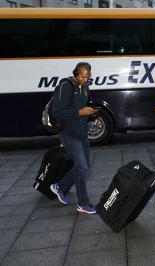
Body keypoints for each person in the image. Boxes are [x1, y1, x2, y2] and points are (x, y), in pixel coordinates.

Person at [50, 62, 98, 214]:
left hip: (82, 134)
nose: (86, 80)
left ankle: (60, 187)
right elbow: (57, 112)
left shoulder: (84, 87)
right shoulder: (65, 86)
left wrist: (90, 113)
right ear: (76, 73)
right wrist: (79, 113)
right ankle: (83, 203)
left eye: (88, 77)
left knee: (82, 167)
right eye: (83, 77)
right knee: (82, 167)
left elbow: (82, 109)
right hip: (69, 134)